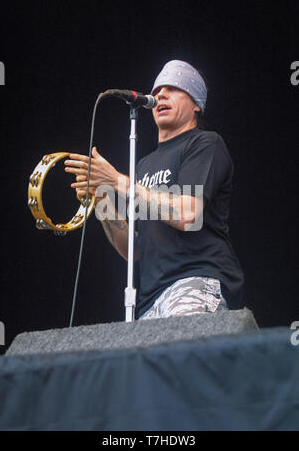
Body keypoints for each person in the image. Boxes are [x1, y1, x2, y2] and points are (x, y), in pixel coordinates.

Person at [64, 60, 245, 320]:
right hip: (150, 297)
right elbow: (134, 250)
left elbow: (187, 215)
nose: (161, 94)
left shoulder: (205, 144)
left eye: (174, 88)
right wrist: (102, 196)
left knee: (179, 356)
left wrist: (117, 181)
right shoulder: (144, 165)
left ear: (197, 104)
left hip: (195, 280)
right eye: (158, 89)